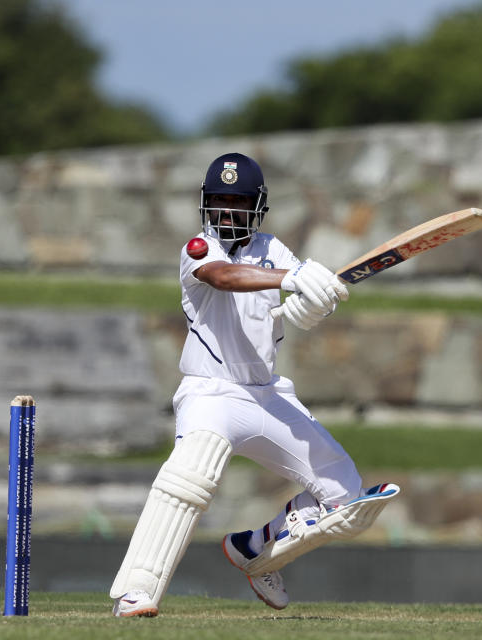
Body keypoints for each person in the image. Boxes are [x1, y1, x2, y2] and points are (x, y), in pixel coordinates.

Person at [109, 152, 400, 617]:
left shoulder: (273, 248)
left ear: (256, 206)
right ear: (205, 205)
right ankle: (137, 591)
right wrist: (294, 278)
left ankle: (255, 549)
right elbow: (225, 278)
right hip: (210, 392)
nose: (226, 213)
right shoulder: (197, 251)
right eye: (218, 202)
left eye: (237, 202)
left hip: (266, 393)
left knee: (345, 497)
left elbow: (294, 304)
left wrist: (310, 305)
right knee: (190, 479)